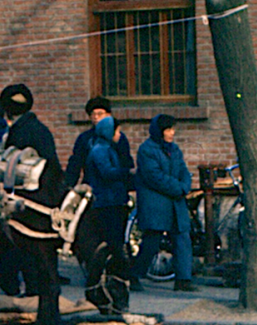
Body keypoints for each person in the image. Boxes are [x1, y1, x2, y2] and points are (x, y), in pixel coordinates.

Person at [0, 83, 69, 325]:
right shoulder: (42, 129)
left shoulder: (17, 133)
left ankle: (28, 292)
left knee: (25, 252)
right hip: (48, 201)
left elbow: (9, 171)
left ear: (8, 111)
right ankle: (46, 313)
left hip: (27, 205)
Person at [129, 114, 198, 292]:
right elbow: (154, 177)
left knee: (182, 238)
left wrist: (185, 185)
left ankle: (183, 279)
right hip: (156, 203)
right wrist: (179, 188)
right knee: (152, 242)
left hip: (175, 202)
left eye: (172, 129)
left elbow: (183, 169)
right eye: (168, 130)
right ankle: (135, 274)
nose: (172, 133)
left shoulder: (174, 149)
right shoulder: (147, 150)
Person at [84, 116, 136, 289]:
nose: (119, 135)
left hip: (113, 200)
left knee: (114, 239)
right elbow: (107, 173)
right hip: (107, 201)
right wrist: (128, 172)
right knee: (112, 240)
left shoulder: (107, 148)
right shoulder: (100, 150)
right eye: (117, 131)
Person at [65, 96, 132, 189]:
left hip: (115, 185)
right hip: (92, 185)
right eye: (93, 114)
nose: (96, 117)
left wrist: (129, 186)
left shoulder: (118, 137)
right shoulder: (84, 138)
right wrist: (69, 185)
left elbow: (125, 161)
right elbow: (75, 163)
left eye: (100, 114)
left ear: (108, 115)